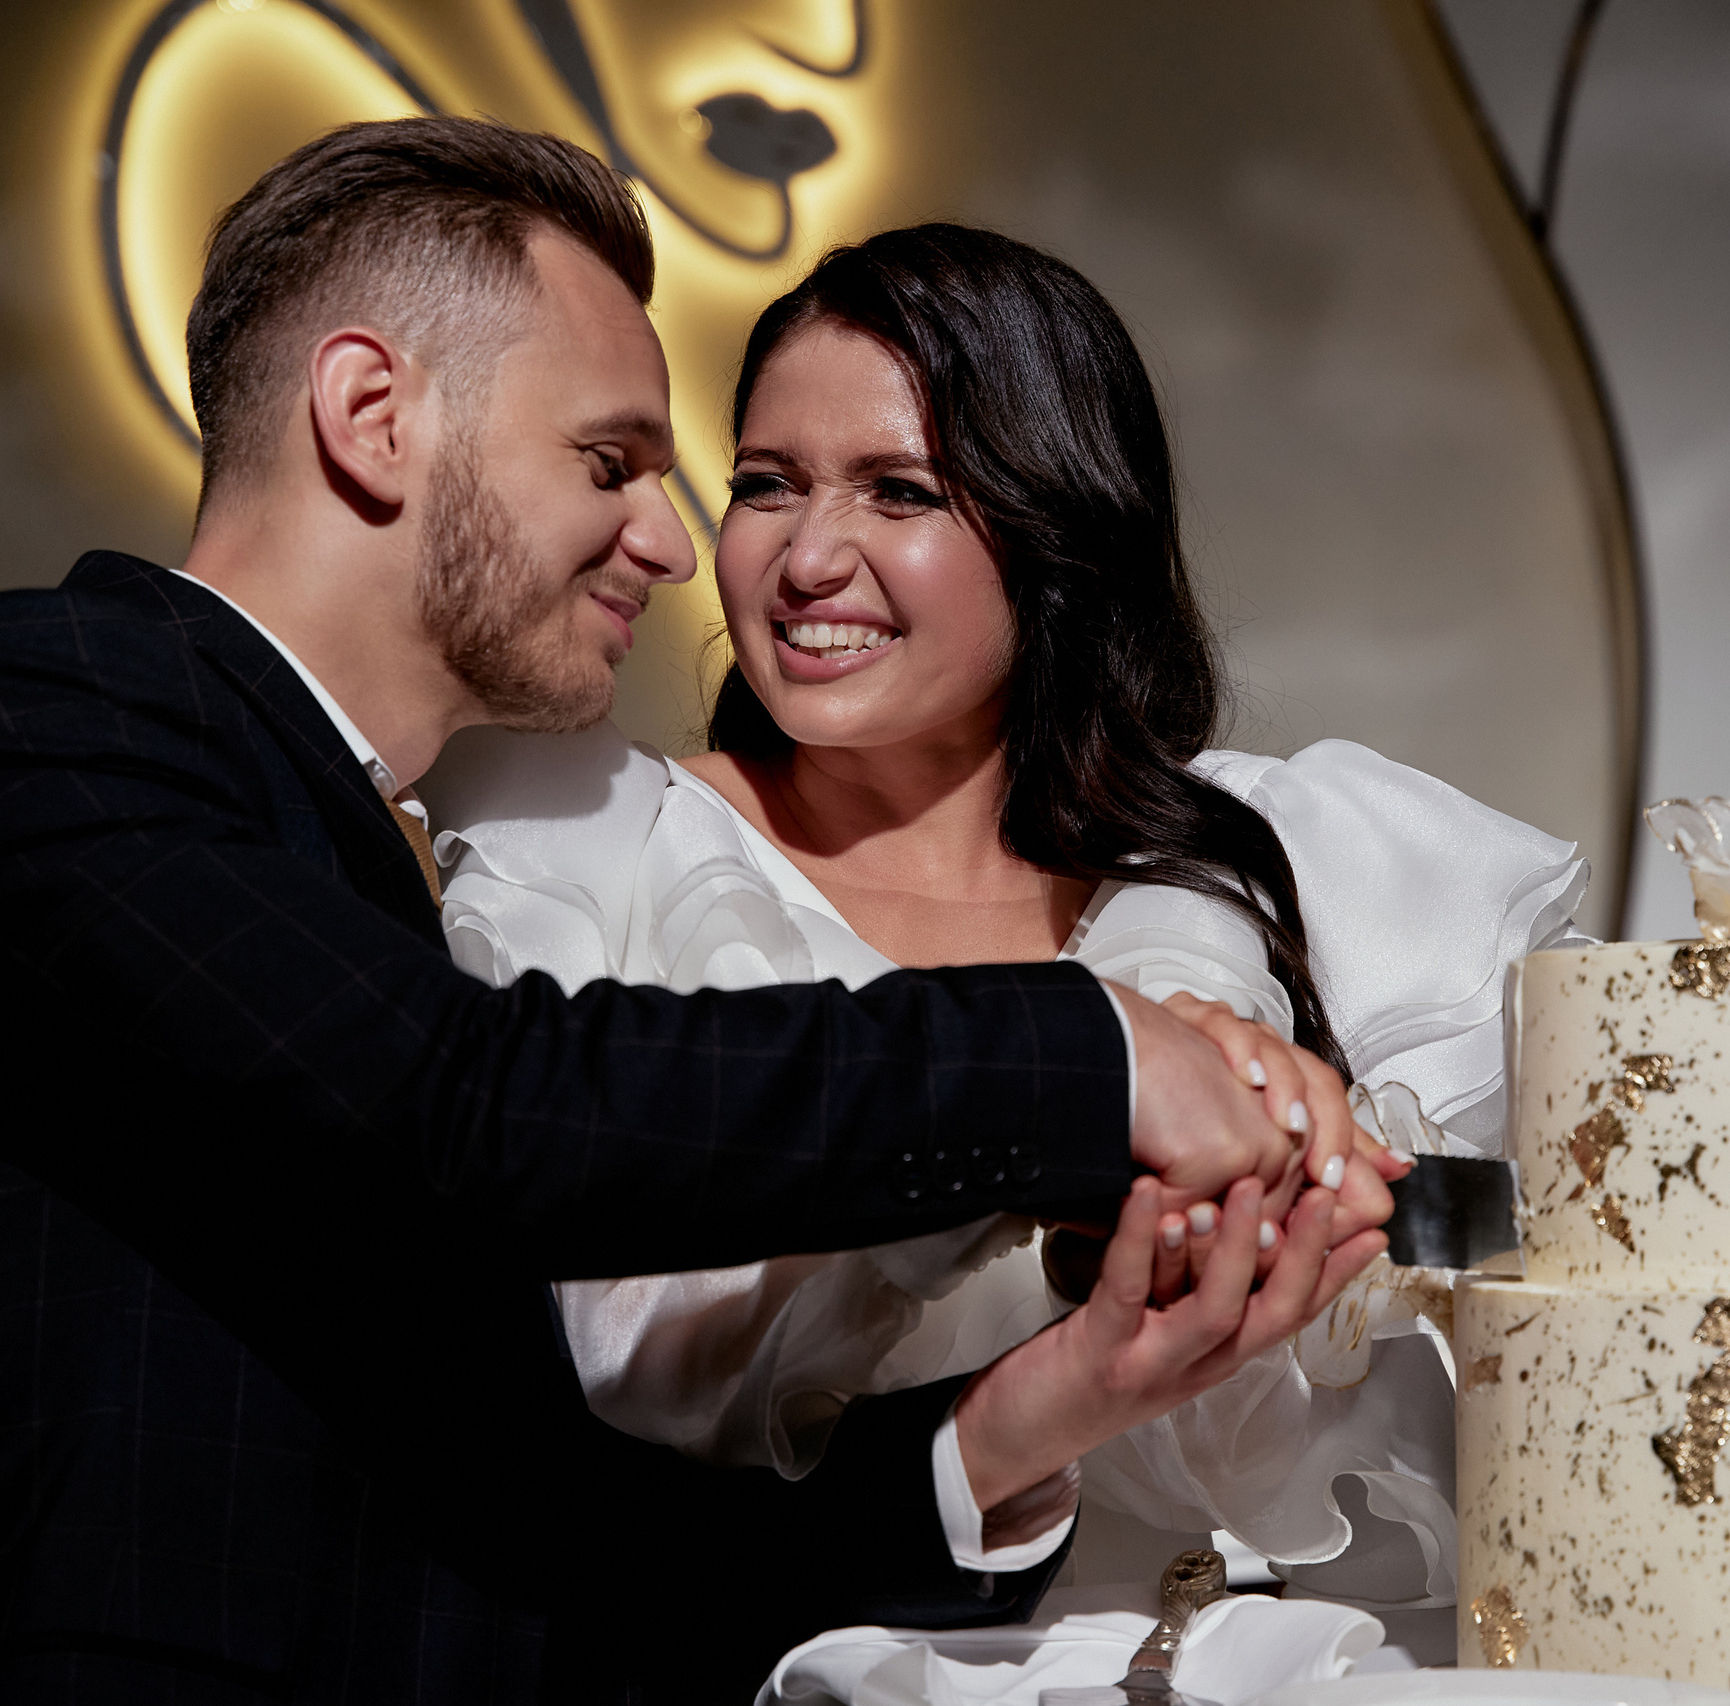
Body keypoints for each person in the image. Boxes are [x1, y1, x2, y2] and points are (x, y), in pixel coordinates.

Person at [0, 122, 1395, 1704]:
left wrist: (1027, 1414)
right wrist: (1090, 1055)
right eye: (610, 462)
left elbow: (563, 1555)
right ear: (372, 416)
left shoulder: (365, 874)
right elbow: (472, 1107)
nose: (675, 545)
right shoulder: (21, 703)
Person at [423, 224, 1593, 1622]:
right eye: (767, 484)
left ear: (1057, 531)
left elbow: (1571, 1250)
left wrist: (1325, 1210)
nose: (808, 557)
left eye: (899, 492)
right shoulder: (592, 841)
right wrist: (1036, 1148)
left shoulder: (1260, 860)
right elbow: (592, 1356)